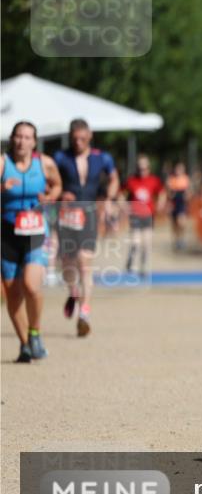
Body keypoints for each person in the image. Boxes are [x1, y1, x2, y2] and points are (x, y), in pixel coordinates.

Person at [53, 118, 120, 338]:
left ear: (90, 136)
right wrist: (61, 193)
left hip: (89, 214)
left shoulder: (102, 158)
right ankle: (73, 293)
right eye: (75, 139)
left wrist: (108, 199)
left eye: (82, 138)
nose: (78, 142)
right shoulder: (61, 157)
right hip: (66, 215)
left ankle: (84, 314)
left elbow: (114, 179)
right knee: (67, 266)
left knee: (85, 263)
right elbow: (51, 182)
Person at [2, 122, 62, 362]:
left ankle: (35, 332)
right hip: (6, 235)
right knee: (13, 295)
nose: (22, 141)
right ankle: (26, 345)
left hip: (35, 232)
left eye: (27, 137)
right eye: (18, 136)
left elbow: (57, 185)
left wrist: (50, 197)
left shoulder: (45, 163)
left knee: (31, 286)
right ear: (12, 138)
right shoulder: (2, 163)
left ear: (34, 142)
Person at [123, 154, 165, 279]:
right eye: (140, 168)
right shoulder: (131, 181)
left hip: (148, 215)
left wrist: (160, 204)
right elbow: (122, 194)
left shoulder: (154, 180)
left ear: (149, 168)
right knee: (136, 241)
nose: (142, 171)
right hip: (135, 215)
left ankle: (143, 266)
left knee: (146, 243)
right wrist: (125, 207)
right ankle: (130, 259)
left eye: (145, 168)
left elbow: (162, 192)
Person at [167, 161, 191, 251]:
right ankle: (177, 240)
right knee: (175, 224)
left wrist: (187, 196)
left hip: (182, 204)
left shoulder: (186, 179)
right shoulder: (171, 179)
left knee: (181, 222)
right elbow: (168, 194)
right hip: (174, 204)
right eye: (177, 169)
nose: (179, 171)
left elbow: (189, 192)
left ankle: (181, 238)